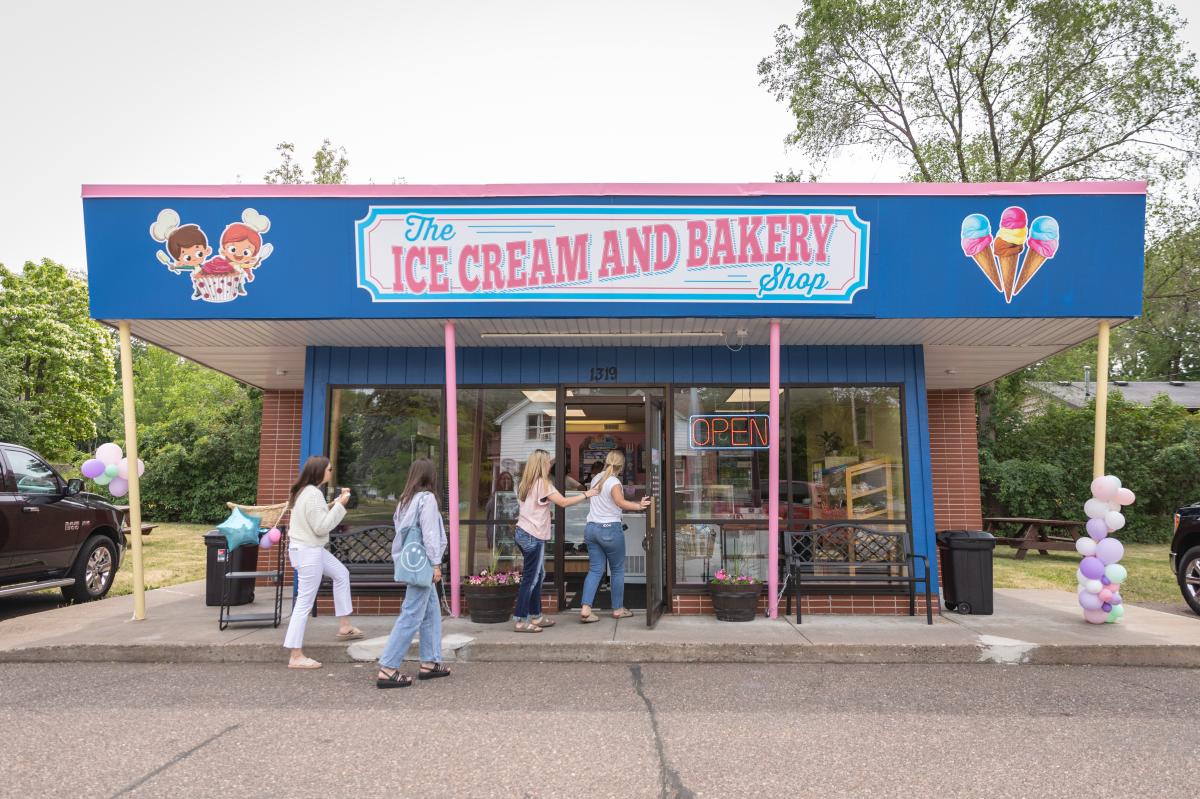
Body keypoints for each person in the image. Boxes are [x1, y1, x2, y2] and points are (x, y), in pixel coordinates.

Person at [376, 458, 450, 688]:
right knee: (411, 614)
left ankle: (430, 661)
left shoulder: (404, 501)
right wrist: (436, 563)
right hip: (423, 564)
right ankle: (388, 667)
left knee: (431, 612)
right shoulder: (426, 500)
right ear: (430, 476)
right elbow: (428, 533)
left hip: (411, 561)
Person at [282, 456, 360, 670]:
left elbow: (315, 516)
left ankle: (345, 626)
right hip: (309, 552)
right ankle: (295, 655)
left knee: (341, 574)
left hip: (306, 549)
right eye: (329, 469)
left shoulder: (304, 492)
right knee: (304, 604)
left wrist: (335, 503)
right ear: (319, 471)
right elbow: (321, 527)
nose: (331, 472)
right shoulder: (314, 493)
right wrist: (341, 505)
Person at [512, 449, 598, 632]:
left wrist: (544, 512)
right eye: (547, 462)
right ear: (542, 464)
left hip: (523, 532)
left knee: (538, 575)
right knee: (531, 578)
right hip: (533, 535)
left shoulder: (525, 484)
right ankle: (520, 620)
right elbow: (564, 502)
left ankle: (535, 616)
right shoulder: (543, 484)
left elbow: (531, 507)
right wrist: (586, 494)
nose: (549, 464)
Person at [580, 450, 651, 623]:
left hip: (591, 528)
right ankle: (618, 609)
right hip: (610, 529)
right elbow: (620, 502)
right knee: (617, 569)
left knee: (595, 569)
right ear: (622, 465)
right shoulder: (614, 482)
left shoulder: (596, 478)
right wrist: (639, 505)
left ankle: (586, 608)